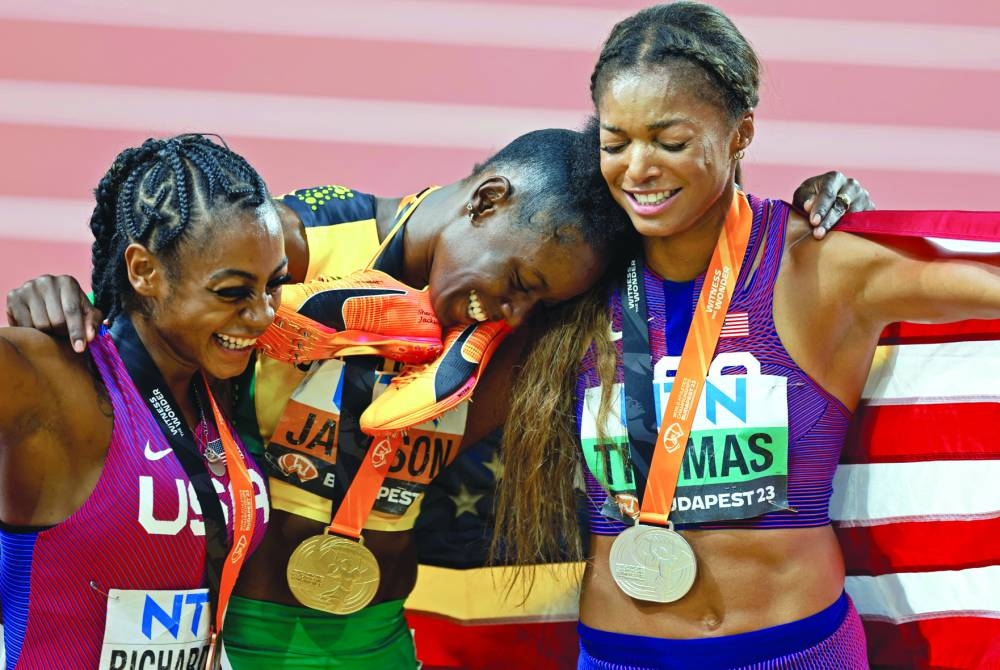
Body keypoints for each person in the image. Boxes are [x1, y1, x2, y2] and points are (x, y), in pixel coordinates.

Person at [6, 129, 872, 667]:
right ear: (488, 199)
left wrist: (787, 230)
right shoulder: (303, 246)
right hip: (237, 636)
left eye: (539, 300)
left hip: (385, 639)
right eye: (518, 278)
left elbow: (696, 293)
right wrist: (70, 310)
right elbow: (167, 314)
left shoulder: (518, 331)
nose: (510, 307)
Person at [494, 3, 1000, 669]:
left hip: (795, 652)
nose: (638, 169)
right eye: (615, 143)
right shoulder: (575, 277)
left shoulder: (816, 268)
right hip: (621, 654)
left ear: (740, 135)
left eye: (669, 141)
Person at [0, 135, 276, 667]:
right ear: (144, 270)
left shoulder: (218, 379)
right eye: (233, 292)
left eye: (273, 284)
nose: (263, 313)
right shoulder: (55, 377)